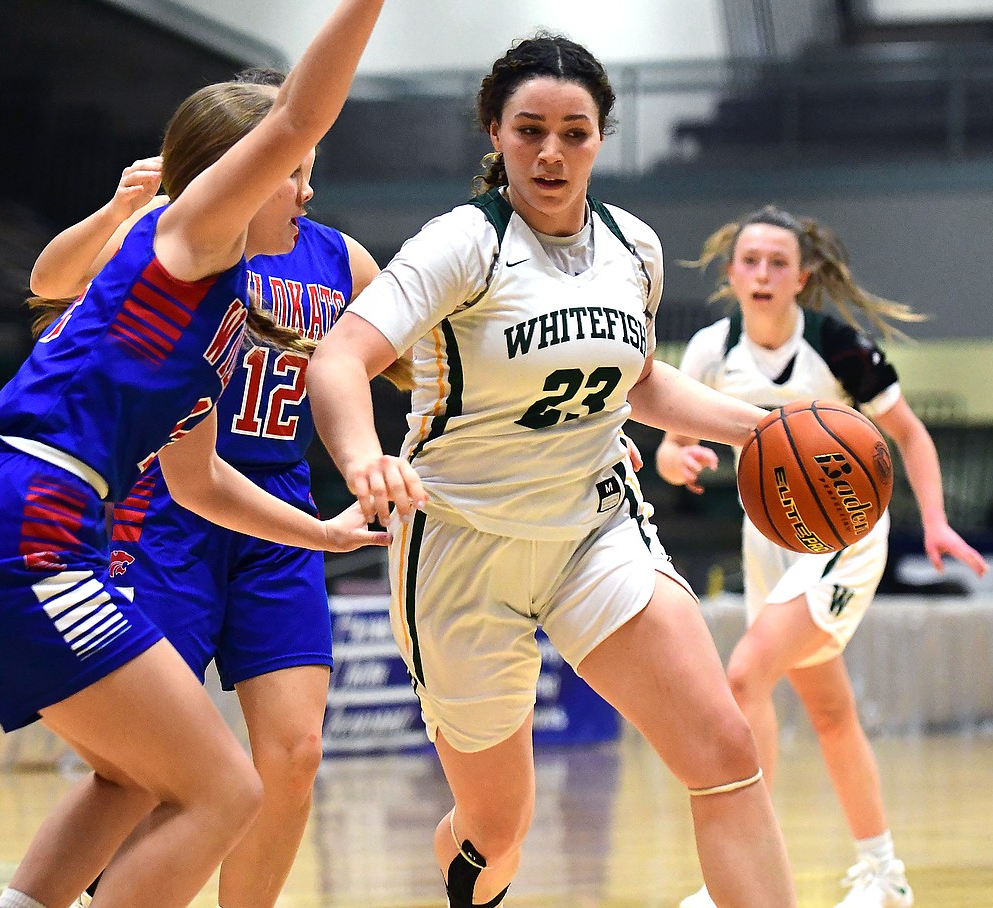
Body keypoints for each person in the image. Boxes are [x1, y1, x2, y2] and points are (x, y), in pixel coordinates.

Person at [306, 34, 797, 908]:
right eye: (529, 129)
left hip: (593, 529)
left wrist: (753, 428)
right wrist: (361, 459)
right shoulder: (463, 244)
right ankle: (469, 865)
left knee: (724, 752)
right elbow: (340, 357)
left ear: (601, 138)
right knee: (498, 831)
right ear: (495, 133)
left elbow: (636, 378)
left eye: (574, 131)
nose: (551, 151)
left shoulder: (632, 247)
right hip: (463, 545)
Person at [0, 3, 390, 906]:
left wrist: (326, 536)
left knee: (132, 779)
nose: (305, 191)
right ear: (236, 172)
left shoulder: (208, 307)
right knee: (224, 791)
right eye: (289, 173)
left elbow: (201, 481)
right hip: (31, 518)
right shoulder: (184, 238)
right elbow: (300, 113)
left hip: (11, 515)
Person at [656, 205, 988, 908]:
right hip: (767, 542)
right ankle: (885, 874)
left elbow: (910, 435)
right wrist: (674, 453)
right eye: (751, 261)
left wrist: (934, 519)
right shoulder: (713, 350)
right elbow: (670, 434)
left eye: (779, 262)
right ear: (733, 273)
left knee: (743, 676)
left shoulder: (838, 346)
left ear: (802, 277)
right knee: (831, 713)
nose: (764, 273)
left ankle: (740, 879)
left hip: (843, 540)